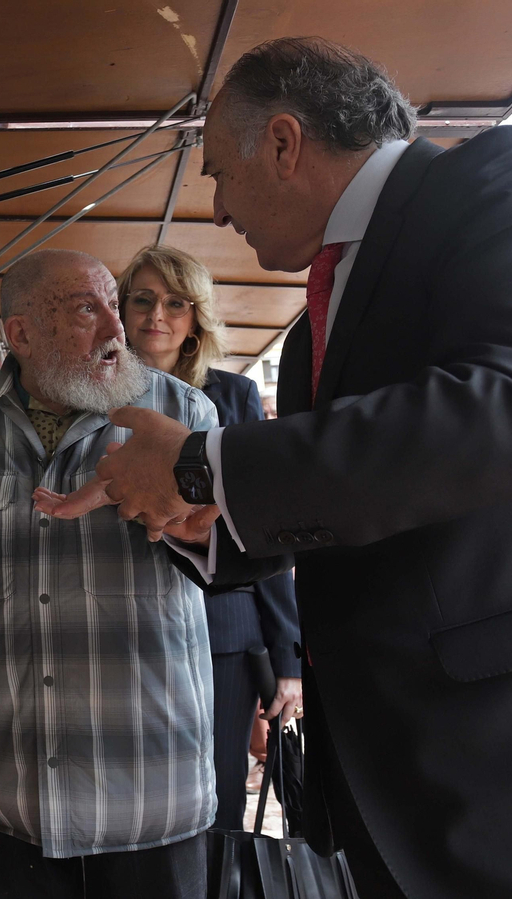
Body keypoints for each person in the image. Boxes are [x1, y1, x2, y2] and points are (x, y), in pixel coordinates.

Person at [40, 37, 512, 899]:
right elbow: (352, 503)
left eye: (218, 173)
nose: (218, 211)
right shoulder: (306, 340)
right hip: (386, 788)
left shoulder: (510, 178)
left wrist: (204, 465)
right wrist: (202, 522)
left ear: (286, 144)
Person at [0, 248, 218, 899]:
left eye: (111, 305)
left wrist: (173, 499)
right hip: (14, 788)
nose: (115, 329)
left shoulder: (181, 417)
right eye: (85, 310)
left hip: (148, 785)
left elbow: (232, 551)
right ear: (20, 334)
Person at [118, 243, 302, 832]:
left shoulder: (232, 395)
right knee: (135, 797)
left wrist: (287, 659)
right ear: (120, 311)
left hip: (221, 629)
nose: (156, 315)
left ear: (196, 317)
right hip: (120, 631)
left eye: (175, 302)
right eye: (142, 299)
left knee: (217, 794)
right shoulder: (95, 396)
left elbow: (264, 530)